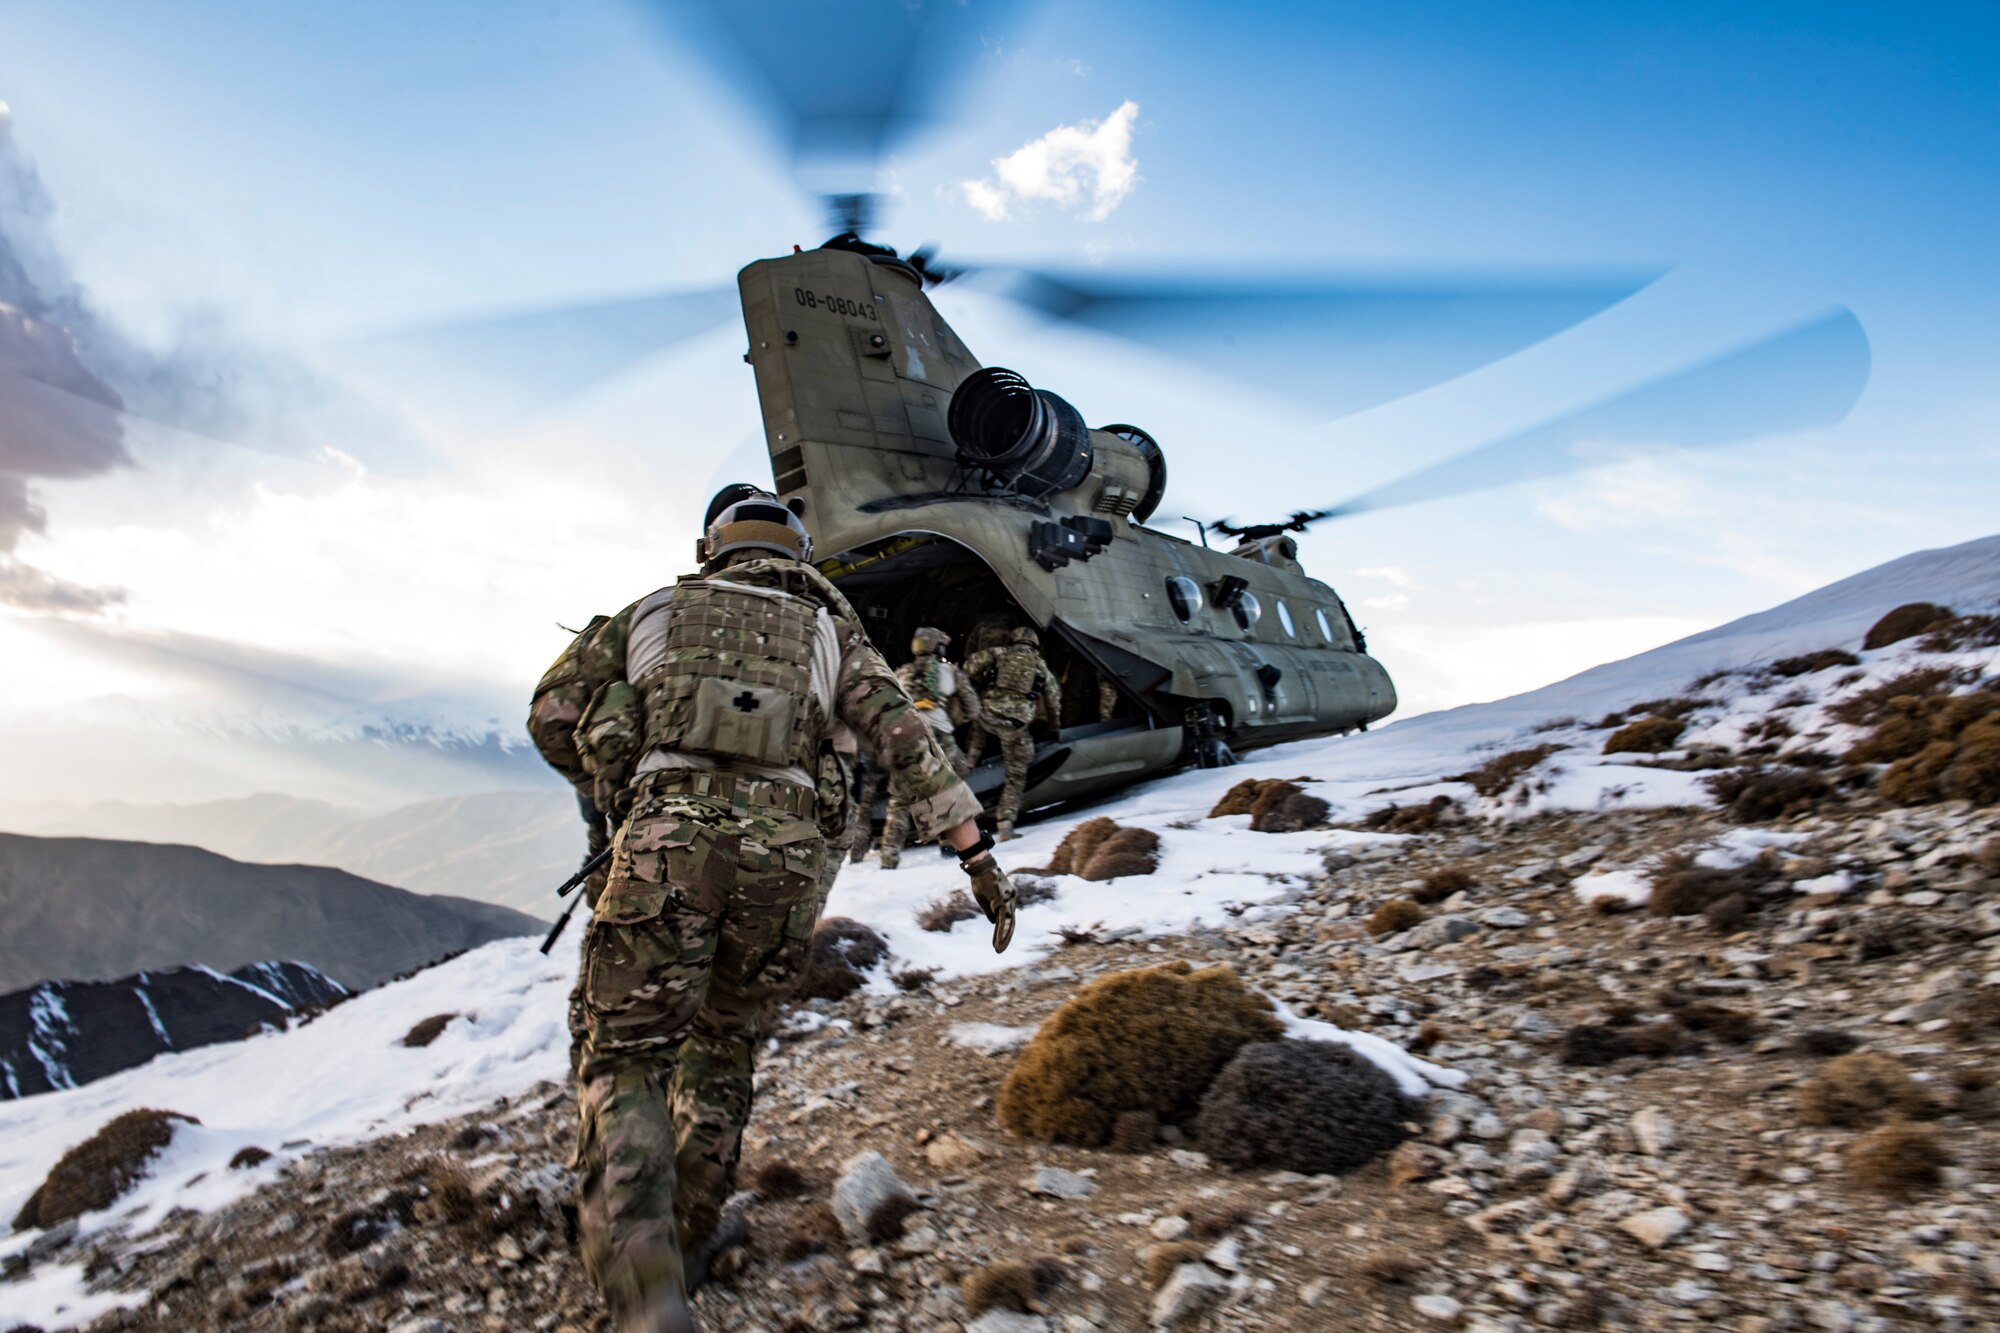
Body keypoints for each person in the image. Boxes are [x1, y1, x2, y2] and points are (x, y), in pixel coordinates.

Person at [530, 485, 1018, 1332]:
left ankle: (645, 1287)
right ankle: (688, 1227)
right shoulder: (832, 632)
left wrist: (611, 785)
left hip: (666, 850)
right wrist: (977, 857)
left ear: (711, 548)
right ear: (797, 556)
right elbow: (910, 743)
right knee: (724, 1043)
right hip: (787, 868)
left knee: (629, 1057)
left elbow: (550, 714)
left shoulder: (649, 612)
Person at [878, 626, 982, 868]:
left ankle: (888, 856)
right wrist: (957, 718)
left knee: (900, 799)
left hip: (906, 736)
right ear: (939, 647)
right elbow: (973, 708)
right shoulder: (950, 672)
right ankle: (949, 842)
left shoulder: (901, 673)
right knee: (952, 784)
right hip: (940, 737)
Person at [964, 624, 1062, 840]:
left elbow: (970, 666)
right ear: (1035, 645)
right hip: (1014, 726)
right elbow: (1054, 700)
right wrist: (1054, 727)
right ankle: (1005, 824)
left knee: (979, 723)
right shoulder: (1040, 666)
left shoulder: (999, 653)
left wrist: (974, 687)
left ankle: (971, 760)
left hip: (987, 716)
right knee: (1016, 775)